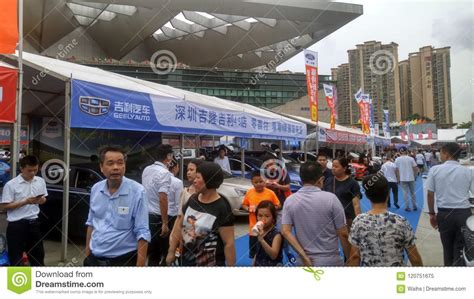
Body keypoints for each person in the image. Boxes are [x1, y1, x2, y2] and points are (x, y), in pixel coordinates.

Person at [84, 146, 150, 266]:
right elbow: (91, 223)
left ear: (125, 165)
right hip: (94, 260)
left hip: (122, 261)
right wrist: (87, 254)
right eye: (110, 163)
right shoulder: (96, 189)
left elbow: (143, 232)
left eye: (120, 163)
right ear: (101, 167)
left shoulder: (137, 191)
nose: (116, 167)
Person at [166, 162, 235, 266]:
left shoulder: (222, 207)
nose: (194, 181)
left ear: (210, 180)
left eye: (198, 177)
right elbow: (179, 227)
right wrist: (171, 252)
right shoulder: (193, 199)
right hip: (184, 261)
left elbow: (228, 243)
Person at [282, 162, 350, 266]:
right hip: (330, 260)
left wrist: (304, 257)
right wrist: (350, 259)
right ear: (321, 179)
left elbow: (286, 232)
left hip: (304, 262)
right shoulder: (331, 199)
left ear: (301, 178)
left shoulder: (290, 201)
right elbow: (343, 234)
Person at [348, 175, 423, 266]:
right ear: (388, 193)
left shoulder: (358, 221)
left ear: (367, 196)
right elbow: (414, 257)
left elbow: (355, 257)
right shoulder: (400, 221)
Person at [427, 142, 474, 266]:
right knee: (461, 248)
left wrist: (432, 214)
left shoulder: (435, 170)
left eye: (441, 152)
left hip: (445, 214)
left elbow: (430, 194)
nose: (439, 155)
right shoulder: (468, 172)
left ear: (447, 154)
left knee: (447, 248)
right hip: (464, 214)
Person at [0, 155, 47, 266]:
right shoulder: (11, 185)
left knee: (38, 257)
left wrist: (40, 200)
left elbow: (44, 199)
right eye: (29, 170)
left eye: (35, 170)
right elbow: (4, 206)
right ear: (22, 169)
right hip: (17, 226)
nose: (32, 173)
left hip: (34, 223)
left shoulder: (40, 181)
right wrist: (25, 202)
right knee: (16, 259)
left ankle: (39, 282)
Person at [142, 144, 174, 266]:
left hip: (146, 215)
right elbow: (162, 198)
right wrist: (165, 223)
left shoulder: (147, 169)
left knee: (152, 252)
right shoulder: (165, 173)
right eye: (171, 155)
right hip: (158, 218)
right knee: (166, 252)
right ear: (168, 156)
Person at [242, 170, 280, 258]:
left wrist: (269, 209)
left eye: (261, 181)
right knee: (254, 252)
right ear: (252, 182)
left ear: (265, 181)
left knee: (268, 251)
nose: (259, 184)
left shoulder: (270, 193)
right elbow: (244, 205)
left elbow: (278, 205)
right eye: (256, 182)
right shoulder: (249, 192)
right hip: (254, 229)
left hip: (268, 228)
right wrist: (248, 208)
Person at [323, 157, 361, 230]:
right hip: (331, 217)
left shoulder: (353, 183)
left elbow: (356, 205)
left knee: (348, 239)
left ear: (344, 168)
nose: (333, 168)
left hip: (347, 218)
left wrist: (358, 222)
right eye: (332, 166)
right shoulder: (328, 181)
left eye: (336, 166)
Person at [253, 200, 283, 266]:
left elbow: (273, 255)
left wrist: (262, 240)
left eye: (267, 216)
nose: (263, 219)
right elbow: (258, 250)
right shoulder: (260, 230)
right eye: (260, 216)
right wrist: (254, 263)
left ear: (273, 218)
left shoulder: (276, 234)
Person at [395, 147, 418, 212]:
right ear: (406, 151)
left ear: (400, 152)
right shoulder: (411, 159)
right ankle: (414, 206)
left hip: (402, 178)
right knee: (412, 192)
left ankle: (407, 207)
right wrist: (415, 176)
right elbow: (415, 169)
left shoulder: (397, 159)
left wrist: (398, 179)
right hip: (411, 178)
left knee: (405, 193)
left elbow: (396, 170)